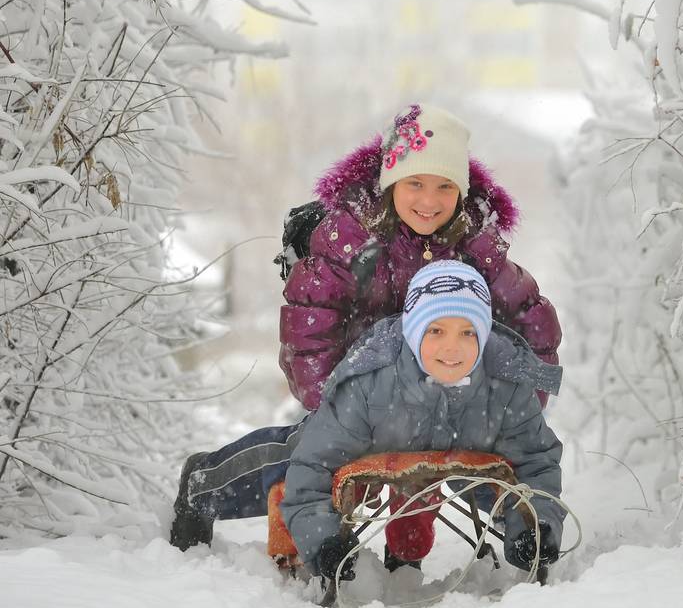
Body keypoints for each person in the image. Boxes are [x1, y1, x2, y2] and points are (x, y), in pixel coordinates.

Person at [169, 103, 561, 552]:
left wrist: (520, 401)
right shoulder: (352, 237)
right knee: (305, 454)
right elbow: (309, 320)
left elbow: (529, 318)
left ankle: (523, 534)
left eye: (444, 186)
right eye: (415, 183)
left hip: (446, 388)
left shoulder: (474, 244)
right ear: (391, 181)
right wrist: (335, 400)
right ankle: (207, 484)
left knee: (504, 449)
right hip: (360, 390)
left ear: (462, 190)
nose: (429, 201)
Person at [280, 260, 564, 585]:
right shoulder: (368, 386)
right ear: (414, 332)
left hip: (448, 453)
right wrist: (325, 541)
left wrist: (535, 527)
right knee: (274, 463)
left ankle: (407, 541)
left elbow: (537, 462)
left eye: (468, 332)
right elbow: (313, 465)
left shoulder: (504, 386)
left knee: (421, 496)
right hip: (363, 440)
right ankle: (211, 485)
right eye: (436, 330)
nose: (452, 346)